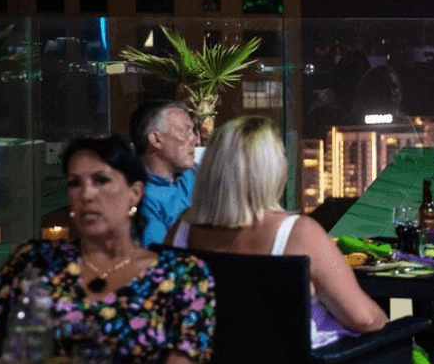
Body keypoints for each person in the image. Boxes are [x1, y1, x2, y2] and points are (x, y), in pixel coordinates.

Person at [166, 116, 389, 348]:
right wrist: (390, 325)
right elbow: (365, 319)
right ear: (272, 170)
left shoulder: (181, 231)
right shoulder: (299, 234)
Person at [0, 136, 215, 364]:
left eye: (101, 180)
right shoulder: (34, 261)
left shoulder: (181, 275)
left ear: (135, 193)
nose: (86, 194)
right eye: (74, 183)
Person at [130, 100, 201, 247]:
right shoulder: (141, 197)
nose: (196, 140)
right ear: (156, 139)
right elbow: (160, 256)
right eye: (184, 131)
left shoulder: (193, 174)